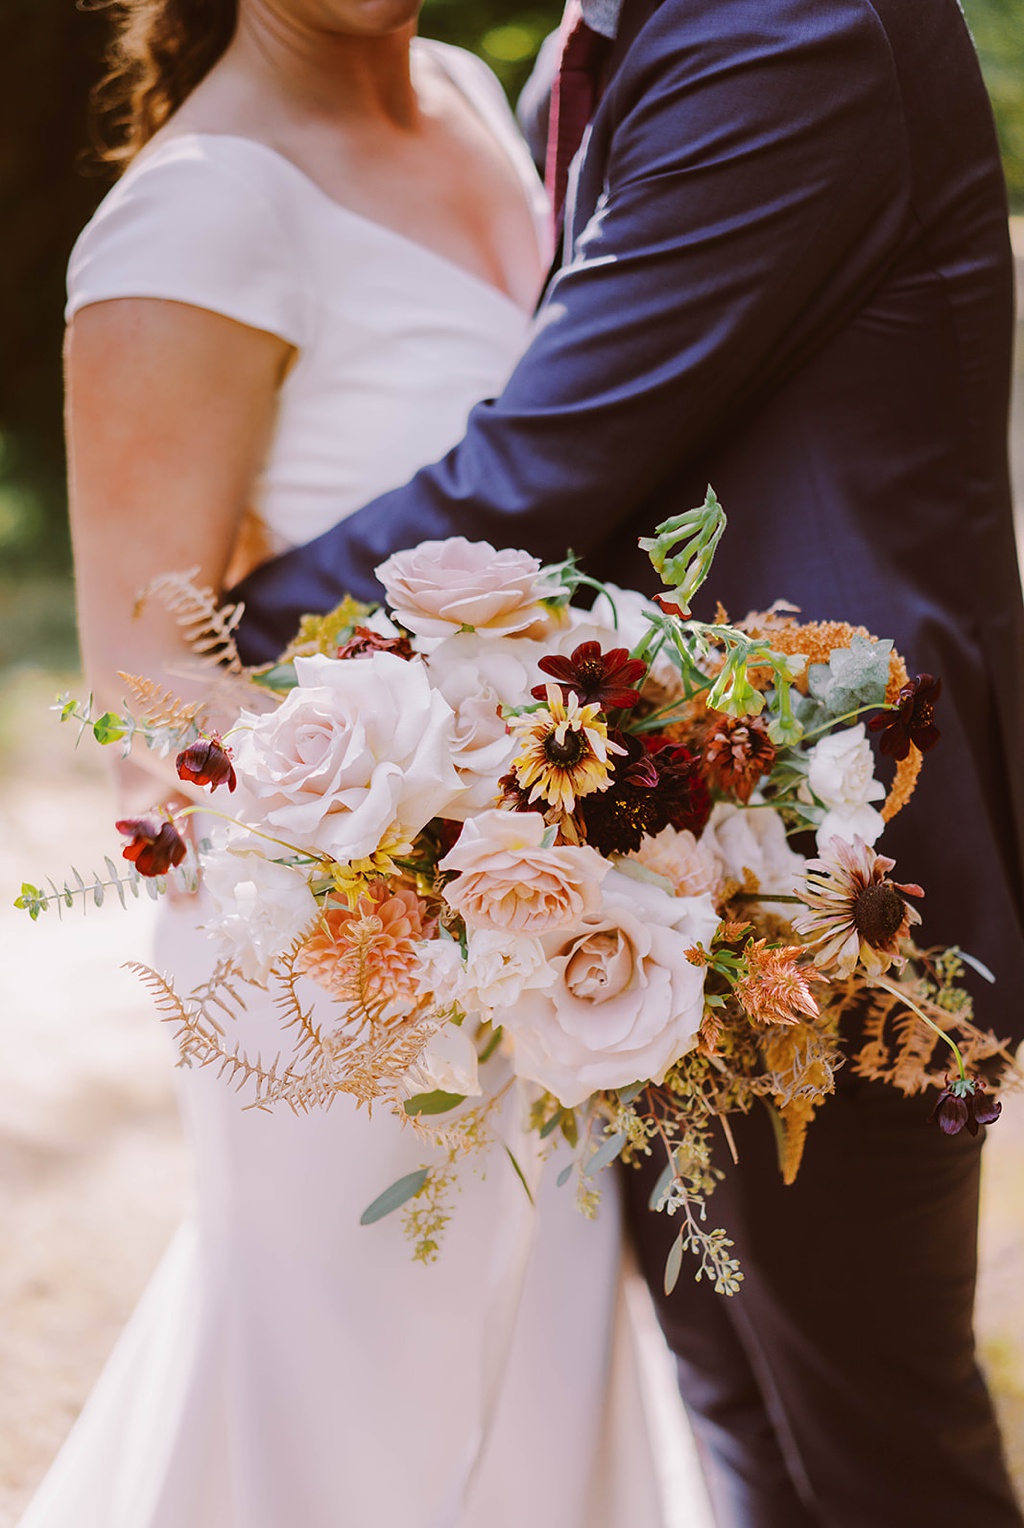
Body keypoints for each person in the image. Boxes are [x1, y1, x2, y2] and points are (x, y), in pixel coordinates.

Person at [232, 0, 1024, 1523]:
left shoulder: (791, 25)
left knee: (877, 1439)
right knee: (742, 1407)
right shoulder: (588, 48)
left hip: (836, 850)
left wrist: (235, 627)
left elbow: (552, 461)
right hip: (638, 855)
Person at [19, 3, 667, 1525]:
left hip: (562, 927)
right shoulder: (196, 212)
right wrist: (420, 889)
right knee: (352, 1430)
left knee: (545, 1391)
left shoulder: (462, 95)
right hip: (352, 959)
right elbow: (151, 702)